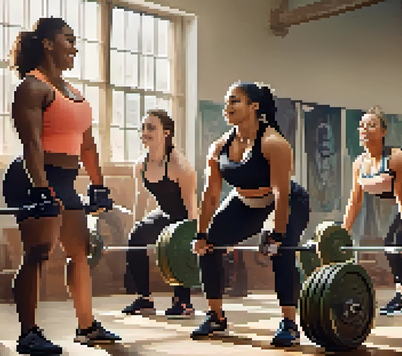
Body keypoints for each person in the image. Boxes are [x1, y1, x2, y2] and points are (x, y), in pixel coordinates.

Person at [3, 18, 121, 355]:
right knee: (39, 252)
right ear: (47, 43)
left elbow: (87, 145)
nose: (74, 46)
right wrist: (40, 189)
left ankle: (86, 327)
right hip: (33, 177)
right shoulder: (32, 87)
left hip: (65, 180)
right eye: (68, 39)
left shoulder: (74, 92)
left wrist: (98, 185)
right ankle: (28, 333)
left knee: (80, 251)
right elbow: (32, 144)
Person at [191, 81, 311, 347]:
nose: (228, 106)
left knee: (283, 252)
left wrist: (277, 236)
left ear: (254, 106)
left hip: (287, 201)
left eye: (235, 100)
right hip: (244, 203)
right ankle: (216, 316)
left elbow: (281, 195)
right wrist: (200, 234)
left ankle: (290, 323)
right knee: (209, 246)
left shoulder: (274, 144)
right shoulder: (219, 148)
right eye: (227, 101)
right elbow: (211, 195)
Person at [341, 106, 402, 316]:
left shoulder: (397, 158)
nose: (364, 129)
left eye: (371, 125)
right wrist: (343, 232)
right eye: (361, 126)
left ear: (383, 132)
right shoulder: (359, 164)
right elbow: (355, 201)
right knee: (391, 245)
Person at [121, 109, 199, 318]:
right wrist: (137, 226)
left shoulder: (179, 165)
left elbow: (191, 205)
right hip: (164, 214)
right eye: (144, 127)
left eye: (151, 128)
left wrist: (192, 236)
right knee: (136, 238)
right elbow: (141, 197)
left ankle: (183, 303)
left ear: (166, 132)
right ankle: (144, 299)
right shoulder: (141, 164)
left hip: (184, 217)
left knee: (178, 249)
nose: (145, 132)